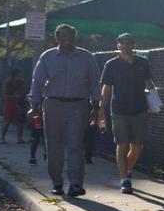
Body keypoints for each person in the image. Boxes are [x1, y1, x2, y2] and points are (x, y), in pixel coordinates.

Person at [28, 24, 101, 197]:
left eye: (70, 36)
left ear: (75, 38)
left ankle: (76, 184)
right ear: (57, 38)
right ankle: (57, 183)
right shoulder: (48, 57)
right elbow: (37, 82)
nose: (67, 39)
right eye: (63, 36)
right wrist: (34, 106)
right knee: (54, 146)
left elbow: (95, 83)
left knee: (75, 145)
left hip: (78, 105)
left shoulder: (86, 57)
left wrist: (96, 107)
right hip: (53, 105)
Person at [99, 32, 156, 193]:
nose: (126, 45)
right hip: (119, 110)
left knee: (137, 147)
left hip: (140, 109)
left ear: (134, 45)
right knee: (122, 144)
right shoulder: (111, 64)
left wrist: (155, 102)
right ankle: (125, 180)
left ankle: (127, 169)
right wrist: (100, 109)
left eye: (129, 43)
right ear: (118, 45)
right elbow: (107, 88)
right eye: (122, 43)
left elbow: (148, 83)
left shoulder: (142, 62)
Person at [0, 68, 28, 143]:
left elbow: (25, 92)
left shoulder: (21, 82)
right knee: (7, 121)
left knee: (19, 121)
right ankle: (2, 138)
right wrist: (13, 96)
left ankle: (19, 138)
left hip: (19, 103)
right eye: (19, 74)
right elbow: (4, 94)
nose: (20, 75)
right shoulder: (7, 82)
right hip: (10, 103)